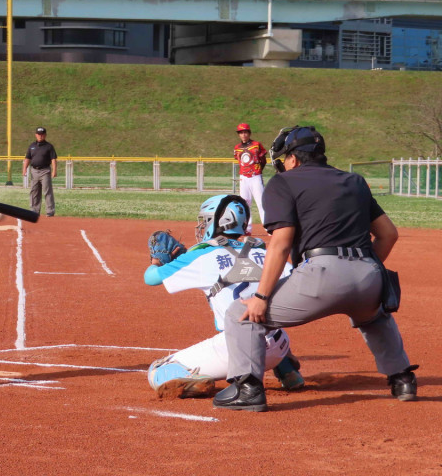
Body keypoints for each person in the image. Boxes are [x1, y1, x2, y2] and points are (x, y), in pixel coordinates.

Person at [214, 126, 417, 412]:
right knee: (374, 316)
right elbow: (388, 234)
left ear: (294, 159)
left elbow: (281, 244)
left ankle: (248, 389)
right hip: (368, 273)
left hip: (319, 275)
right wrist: (366, 269)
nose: (283, 164)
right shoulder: (354, 181)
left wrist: (260, 297)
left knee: (241, 314)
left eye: (284, 159)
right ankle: (402, 378)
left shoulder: (284, 183)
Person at [143, 194, 304, 399]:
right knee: (262, 317)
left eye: (205, 220)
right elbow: (294, 279)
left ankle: (198, 380)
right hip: (279, 343)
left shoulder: (201, 255)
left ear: (216, 222)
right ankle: (287, 368)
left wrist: (159, 259)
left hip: (239, 350)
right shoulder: (264, 251)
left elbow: (151, 278)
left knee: (158, 371)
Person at [233, 123, 267, 234]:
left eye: (245, 132)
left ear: (249, 133)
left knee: (261, 202)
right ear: (239, 135)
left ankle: (268, 227)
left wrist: (258, 171)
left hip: (255, 176)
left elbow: (263, 160)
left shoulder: (256, 145)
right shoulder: (237, 148)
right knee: (245, 203)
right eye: (241, 133)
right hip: (243, 177)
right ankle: (247, 228)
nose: (243, 135)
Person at [22, 126, 58, 217]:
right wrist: (24, 169)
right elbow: (27, 158)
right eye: (39, 134)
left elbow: (53, 159)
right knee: (34, 191)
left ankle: (50, 211)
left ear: (45, 135)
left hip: (45, 171)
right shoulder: (32, 146)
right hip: (34, 171)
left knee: (47, 191)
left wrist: (54, 171)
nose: (40, 136)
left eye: (42, 134)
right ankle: (34, 210)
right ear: (36, 135)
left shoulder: (49, 146)